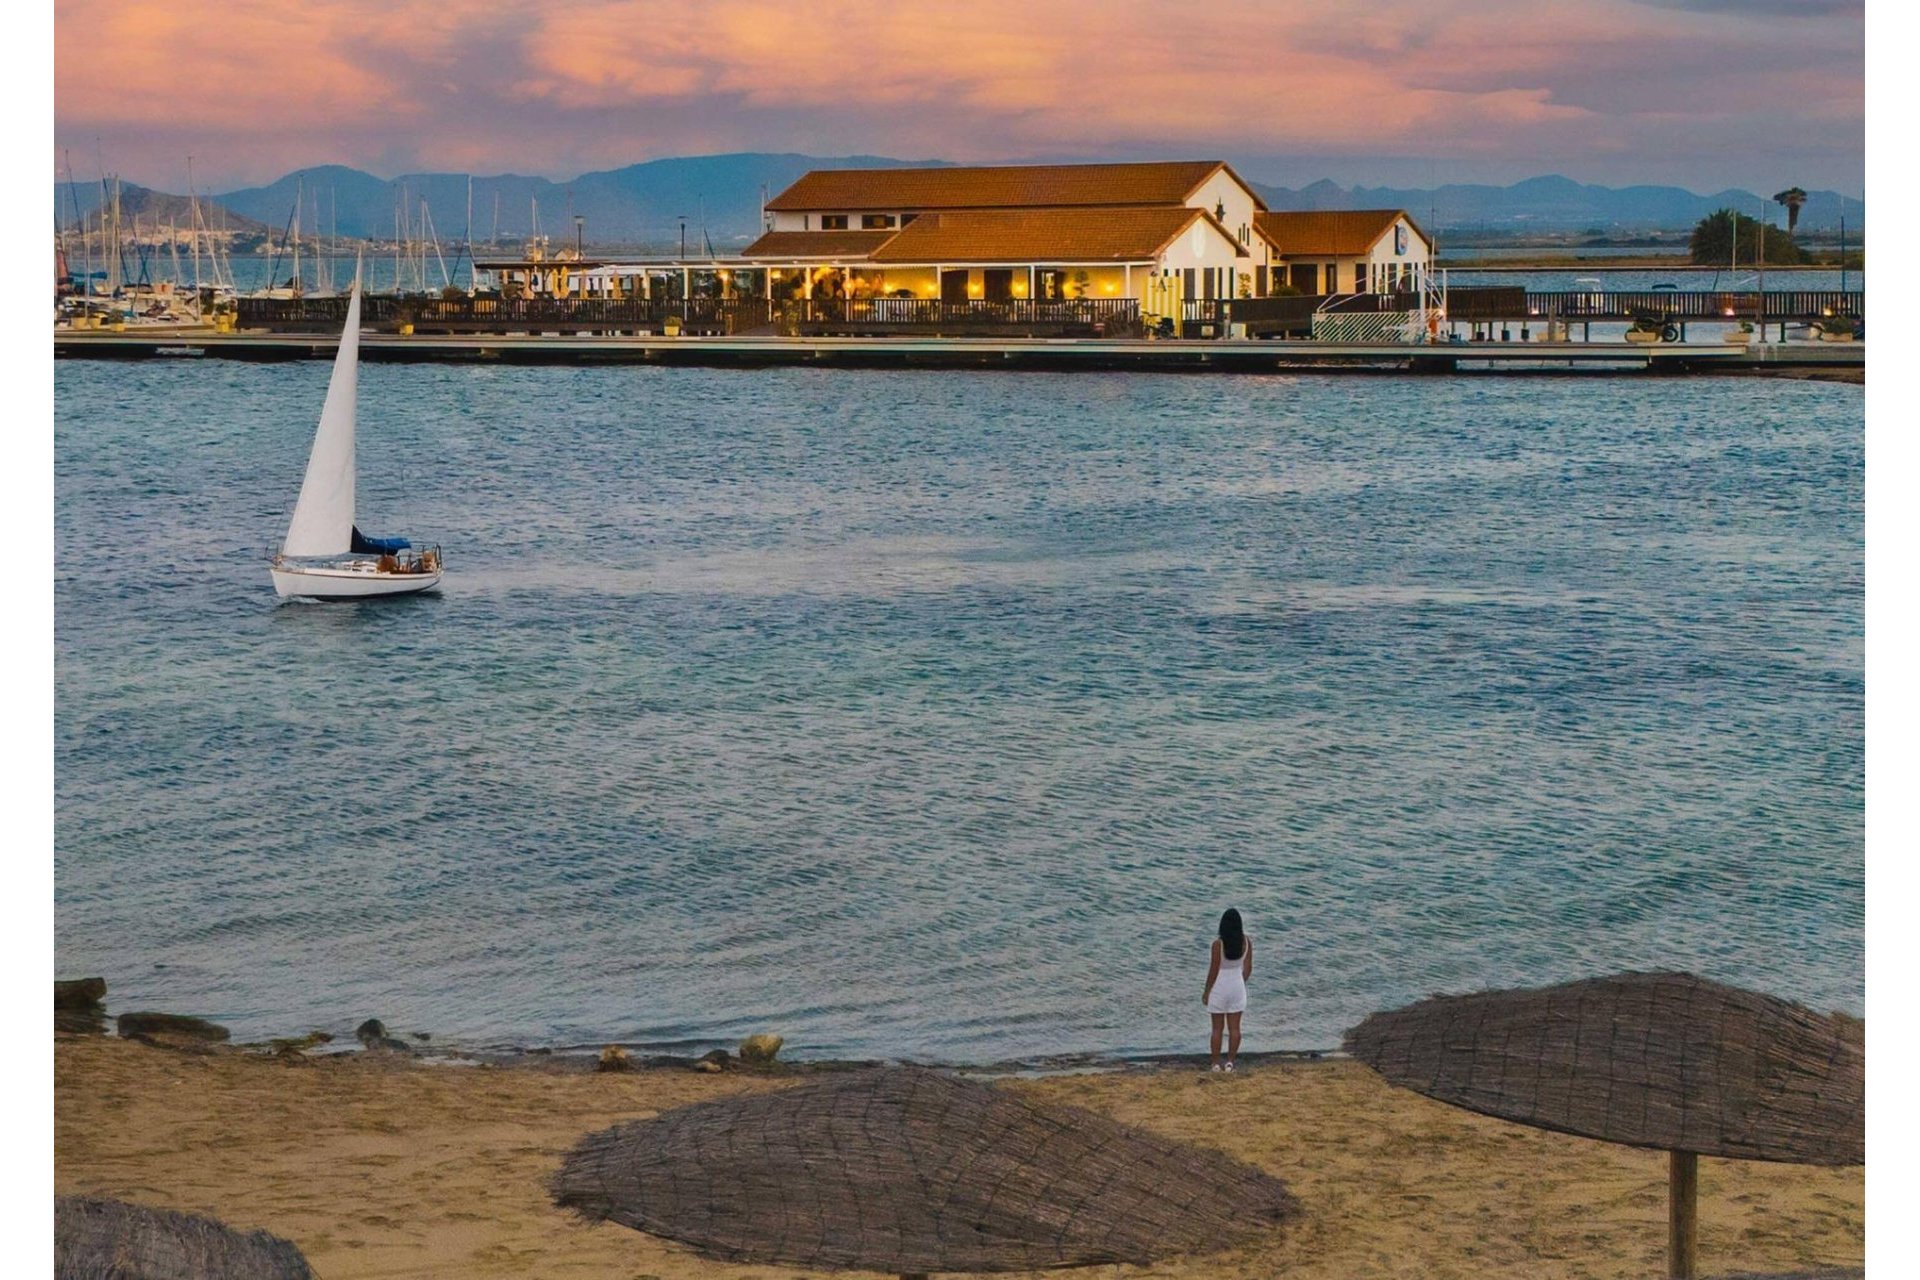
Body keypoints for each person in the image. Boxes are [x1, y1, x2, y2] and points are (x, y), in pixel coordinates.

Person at [1202, 908, 1251, 1072]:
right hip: (1237, 987)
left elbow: (1213, 970)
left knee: (1217, 1029)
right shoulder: (1246, 942)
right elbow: (1248, 968)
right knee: (1235, 1028)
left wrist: (1207, 991)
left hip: (1220, 987)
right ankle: (1230, 1062)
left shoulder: (1218, 944)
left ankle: (1215, 1063)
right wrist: (1240, 982)